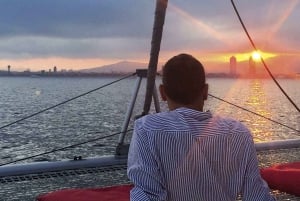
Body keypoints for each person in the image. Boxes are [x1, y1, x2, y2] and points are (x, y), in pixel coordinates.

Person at [127, 53, 276, 201]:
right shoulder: (238, 132)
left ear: (162, 92)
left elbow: (146, 196)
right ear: (205, 92)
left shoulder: (147, 129)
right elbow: (256, 196)